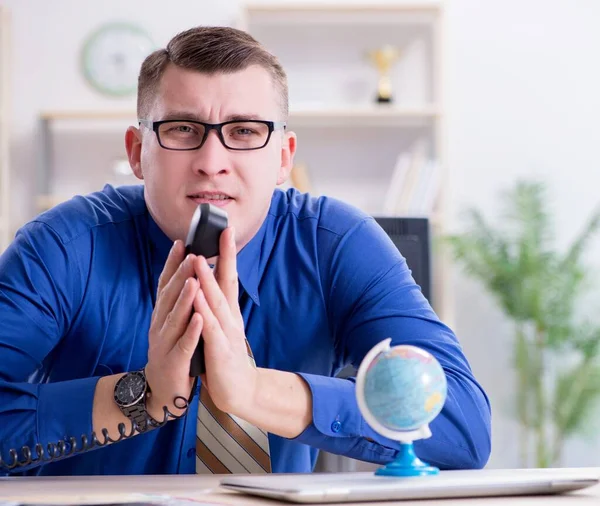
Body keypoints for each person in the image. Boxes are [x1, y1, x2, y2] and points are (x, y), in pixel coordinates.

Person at [0, 26, 491, 476]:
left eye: (245, 132)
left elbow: (463, 428)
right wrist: (140, 396)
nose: (212, 163)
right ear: (136, 153)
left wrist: (257, 391)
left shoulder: (338, 245)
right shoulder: (62, 247)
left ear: (283, 157)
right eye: (182, 130)